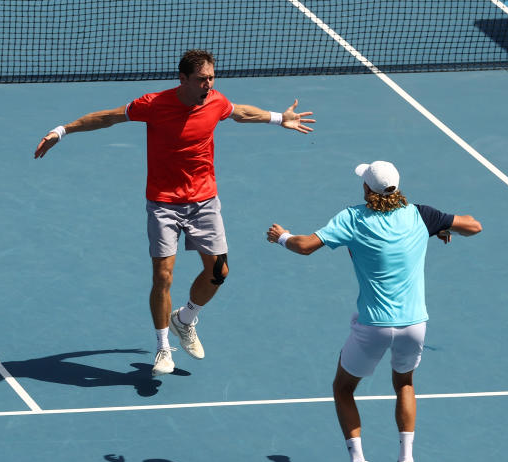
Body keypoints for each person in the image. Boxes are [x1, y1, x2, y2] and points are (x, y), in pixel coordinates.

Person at [34, 49, 314, 376]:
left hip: (204, 201)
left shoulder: (216, 101)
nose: (208, 84)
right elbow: (107, 117)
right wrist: (62, 130)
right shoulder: (153, 105)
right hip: (163, 203)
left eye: (211, 77)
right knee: (163, 276)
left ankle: (185, 319)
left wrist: (281, 118)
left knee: (219, 273)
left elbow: (241, 113)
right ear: (183, 79)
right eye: (201, 79)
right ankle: (163, 347)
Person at [265, 161, 481, 462]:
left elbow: (305, 245)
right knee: (404, 384)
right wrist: (437, 228)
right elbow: (474, 226)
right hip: (414, 326)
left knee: (343, 388)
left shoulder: (353, 218)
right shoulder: (421, 215)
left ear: (367, 189)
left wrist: (282, 237)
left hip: (373, 328)